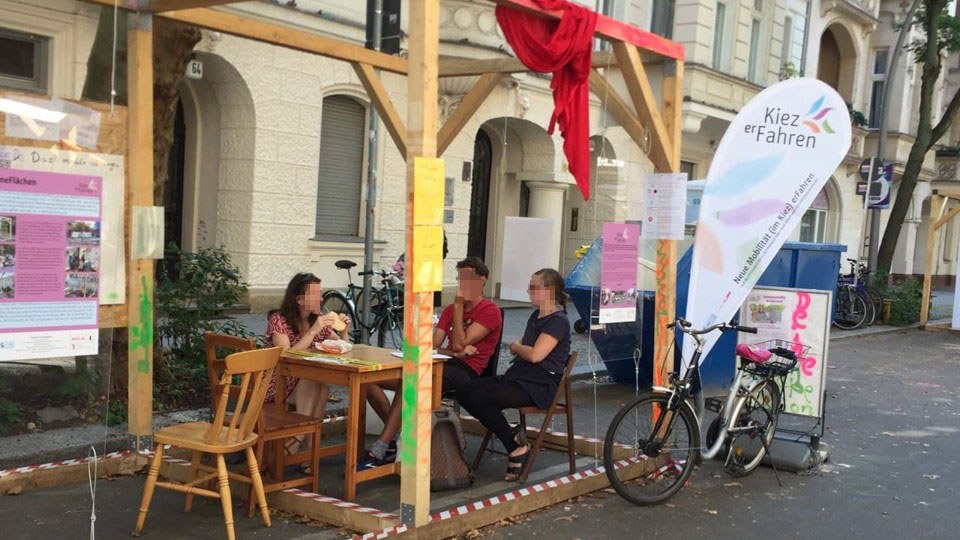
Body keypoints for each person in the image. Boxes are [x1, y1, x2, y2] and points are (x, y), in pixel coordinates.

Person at [358, 257, 503, 470]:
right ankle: (393, 439)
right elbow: (434, 346)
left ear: (483, 280)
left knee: (410, 381)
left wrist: (459, 309)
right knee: (368, 380)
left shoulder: (489, 310)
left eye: (468, 279)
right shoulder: (449, 310)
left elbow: (461, 341)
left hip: (466, 372)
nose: (463, 284)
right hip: (444, 363)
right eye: (460, 278)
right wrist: (454, 352)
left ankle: (381, 447)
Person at [457, 268, 571, 481]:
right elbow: (529, 350)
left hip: (538, 384)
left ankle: (515, 446)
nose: (529, 291)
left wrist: (517, 347)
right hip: (519, 375)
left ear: (549, 291)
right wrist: (521, 349)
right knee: (464, 389)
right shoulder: (536, 315)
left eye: (533, 287)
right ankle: (514, 441)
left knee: (481, 397)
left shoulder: (558, 321)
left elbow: (536, 355)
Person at [265, 272, 351, 459]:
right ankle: (302, 444)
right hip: (277, 383)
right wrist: (313, 332)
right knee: (314, 380)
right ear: (299, 299)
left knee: (322, 386)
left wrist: (345, 330)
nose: (320, 299)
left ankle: (306, 450)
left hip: (303, 382)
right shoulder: (279, 320)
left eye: (320, 293)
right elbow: (285, 356)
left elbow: (342, 346)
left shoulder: (316, 318)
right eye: (314, 294)